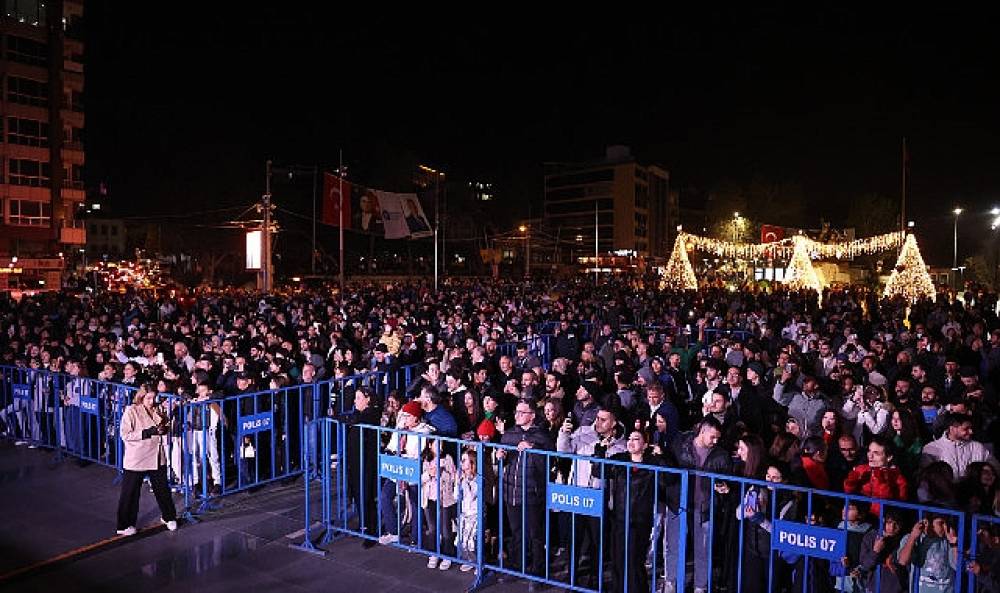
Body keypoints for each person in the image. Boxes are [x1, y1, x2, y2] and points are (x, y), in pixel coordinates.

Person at [497, 399, 554, 591]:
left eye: (522, 412)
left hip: (532, 491)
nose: (517, 415)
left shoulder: (542, 436)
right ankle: (517, 566)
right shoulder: (510, 434)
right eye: (516, 411)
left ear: (532, 415)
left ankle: (538, 573)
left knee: (535, 534)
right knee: (516, 532)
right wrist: (501, 456)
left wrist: (532, 447)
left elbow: (547, 463)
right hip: (511, 490)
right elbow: (505, 453)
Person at [116, 383, 178, 535]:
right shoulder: (131, 411)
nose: (152, 401)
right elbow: (125, 434)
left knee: (162, 489)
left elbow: (165, 426)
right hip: (137, 457)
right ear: (141, 397)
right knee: (130, 492)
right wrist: (146, 432)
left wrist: (165, 429)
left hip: (157, 456)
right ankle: (124, 525)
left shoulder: (159, 409)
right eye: (149, 398)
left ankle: (169, 516)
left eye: (153, 397)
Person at [343, 386, 381, 548]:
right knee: (357, 492)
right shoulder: (358, 414)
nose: (355, 401)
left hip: (367, 460)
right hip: (354, 459)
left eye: (359, 398)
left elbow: (352, 420)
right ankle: (363, 524)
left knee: (366, 495)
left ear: (368, 399)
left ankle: (371, 531)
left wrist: (344, 418)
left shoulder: (371, 414)